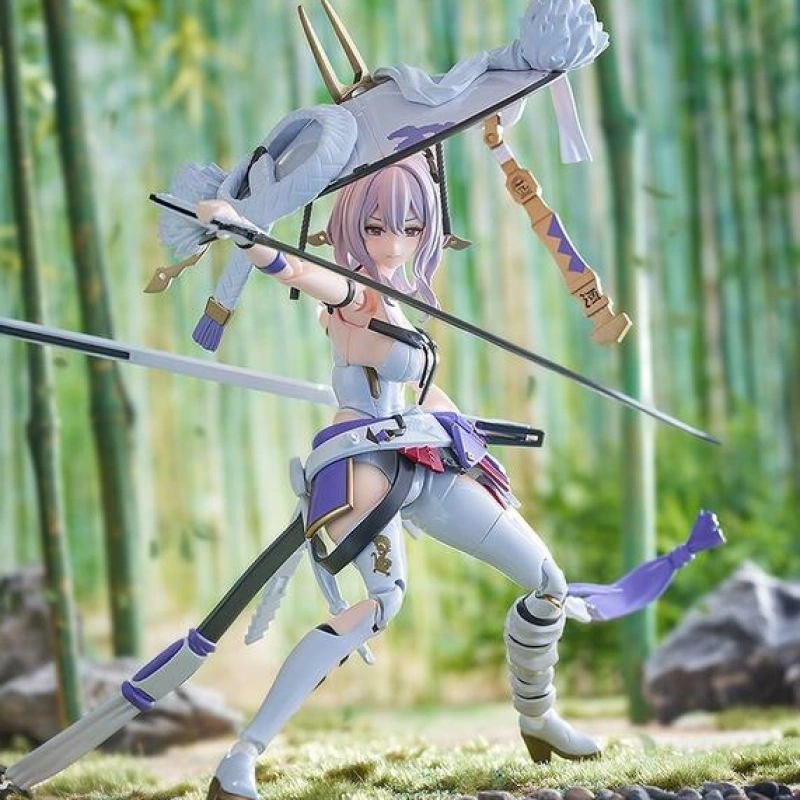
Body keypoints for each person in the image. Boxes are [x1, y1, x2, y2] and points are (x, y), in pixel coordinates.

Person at [197, 152, 601, 800]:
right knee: (382, 604)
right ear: (352, 226)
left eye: (410, 227)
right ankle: (242, 757)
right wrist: (249, 238)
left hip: (421, 451)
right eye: (377, 226)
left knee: (548, 583)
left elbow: (418, 389)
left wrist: (459, 427)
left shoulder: (397, 298)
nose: (393, 242)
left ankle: (540, 717)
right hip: (366, 463)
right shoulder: (353, 291)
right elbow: (303, 273)